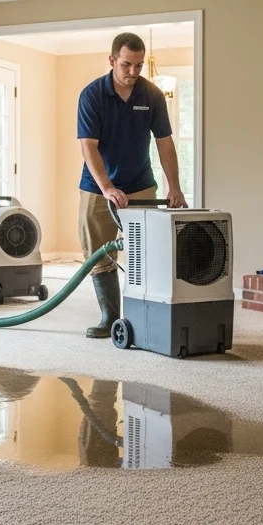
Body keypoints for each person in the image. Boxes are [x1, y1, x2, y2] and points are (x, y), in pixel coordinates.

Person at [76, 32, 187, 338]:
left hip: (139, 183)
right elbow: (88, 146)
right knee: (99, 252)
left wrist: (174, 186)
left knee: (146, 251)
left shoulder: (151, 95)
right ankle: (109, 317)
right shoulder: (92, 95)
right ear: (112, 60)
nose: (133, 72)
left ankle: (142, 315)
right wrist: (107, 187)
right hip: (97, 186)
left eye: (139, 65)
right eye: (127, 64)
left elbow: (164, 142)